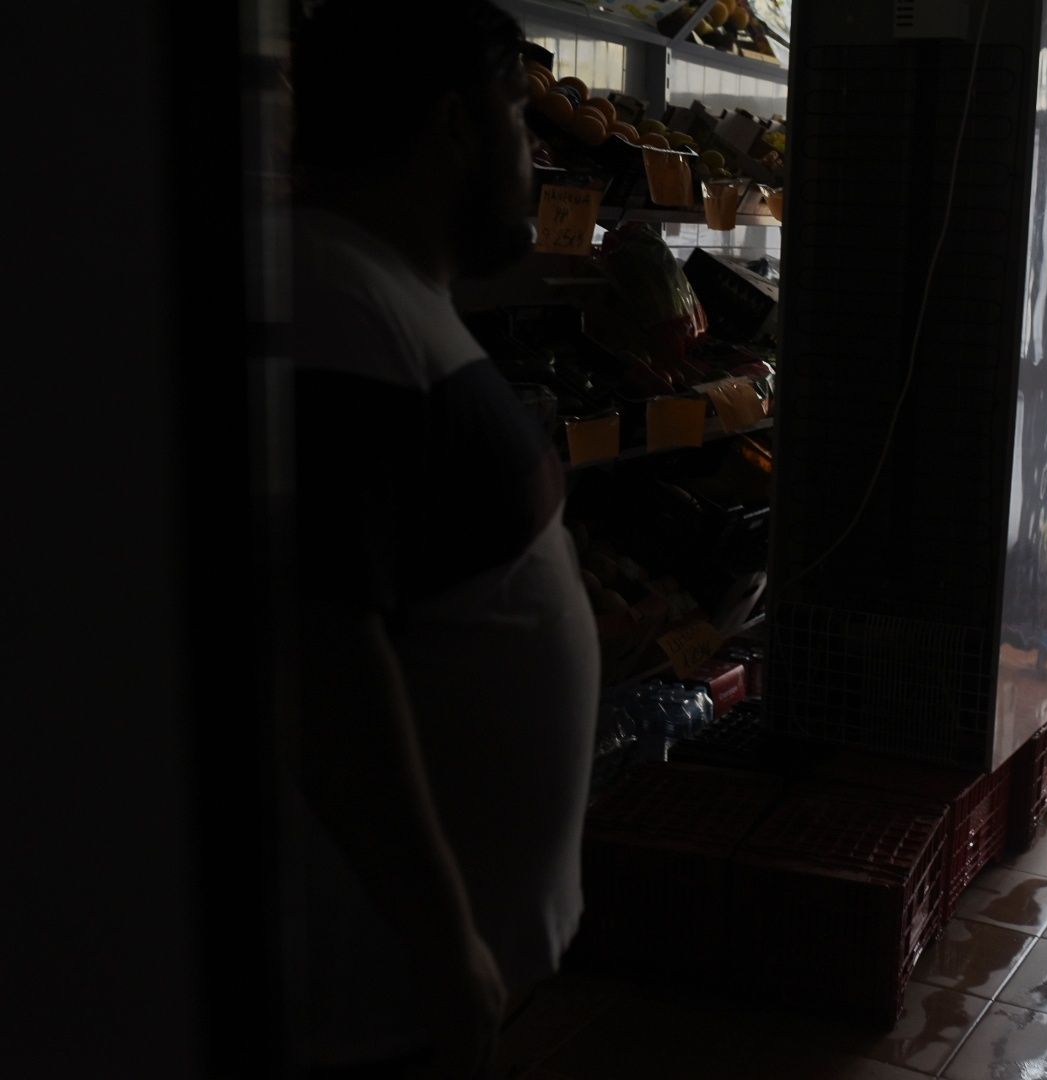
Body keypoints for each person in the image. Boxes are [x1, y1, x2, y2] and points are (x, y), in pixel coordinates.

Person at [288, 1, 598, 1075]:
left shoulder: (377, 295)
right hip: (386, 995)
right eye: (519, 112)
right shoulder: (339, 309)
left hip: (423, 988)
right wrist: (438, 935)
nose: (535, 153)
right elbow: (322, 649)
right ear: (455, 124)